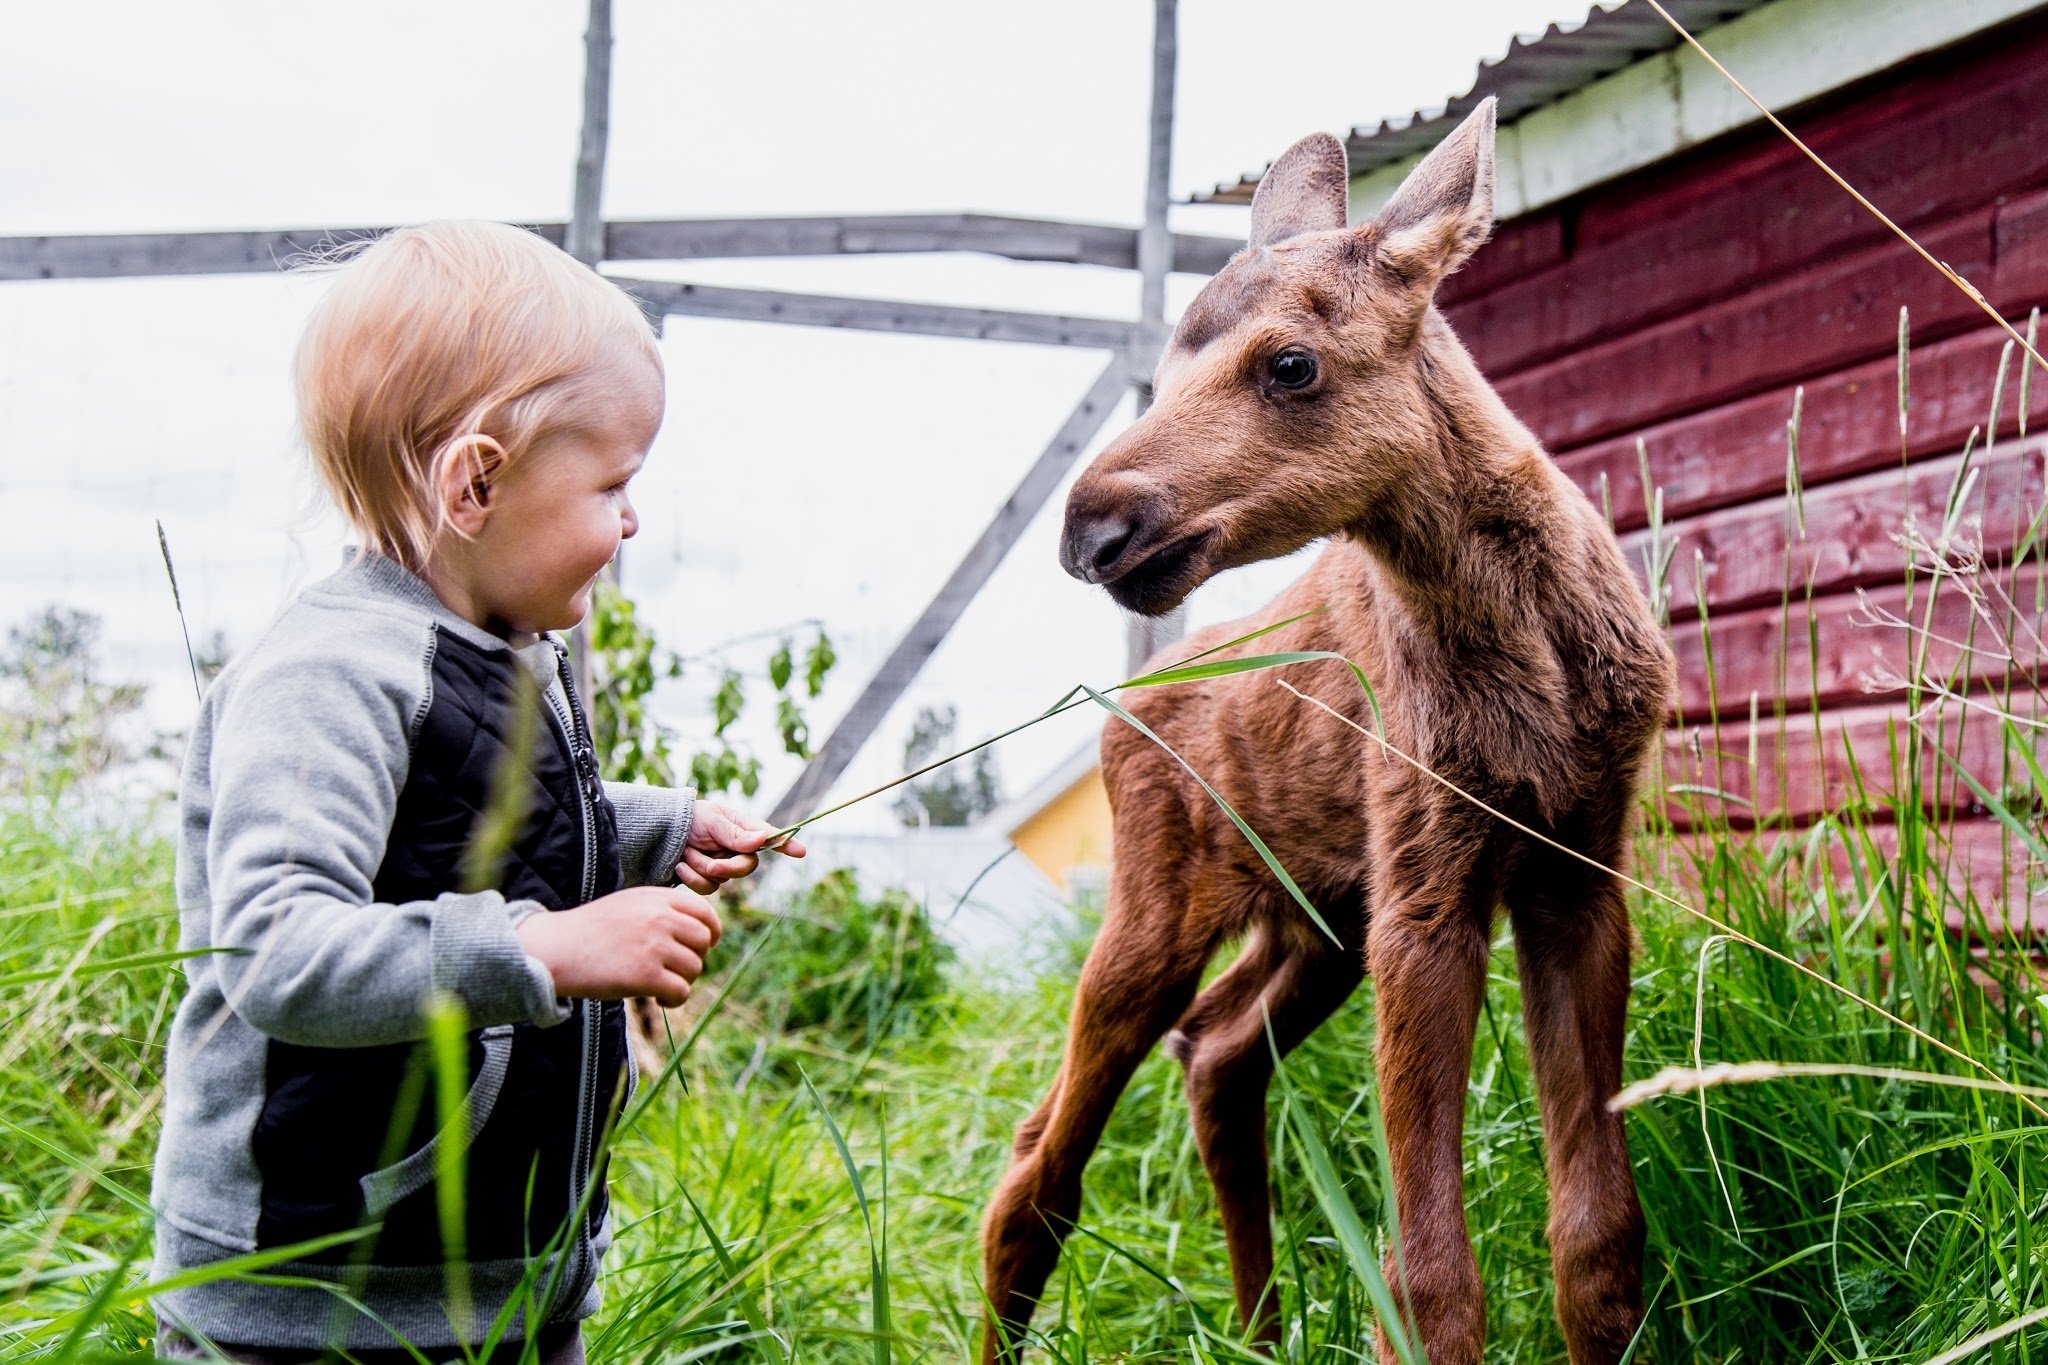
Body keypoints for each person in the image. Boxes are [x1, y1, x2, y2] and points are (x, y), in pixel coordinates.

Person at [149, 220, 801, 1363]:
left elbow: (487, 836)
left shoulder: (504, 651)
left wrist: (656, 831)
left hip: (510, 1270)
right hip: (315, 1300)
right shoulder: (330, 675)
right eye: (615, 481)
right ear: (476, 481)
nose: (632, 520)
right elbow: (275, 950)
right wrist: (549, 950)